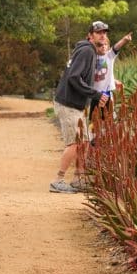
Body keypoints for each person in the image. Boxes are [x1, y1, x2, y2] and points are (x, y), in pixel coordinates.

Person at [50, 21, 109, 193]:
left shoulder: (88, 51)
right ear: (90, 35)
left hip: (75, 105)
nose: (103, 35)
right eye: (99, 33)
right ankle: (58, 180)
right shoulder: (86, 51)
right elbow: (74, 78)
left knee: (83, 142)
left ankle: (79, 179)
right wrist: (95, 94)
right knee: (75, 144)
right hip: (68, 104)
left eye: (105, 33)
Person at [91, 31, 132, 122]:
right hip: (94, 94)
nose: (103, 46)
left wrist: (124, 40)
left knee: (108, 118)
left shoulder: (109, 55)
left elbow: (116, 47)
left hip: (106, 92)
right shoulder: (91, 57)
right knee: (94, 119)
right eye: (100, 45)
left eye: (105, 44)